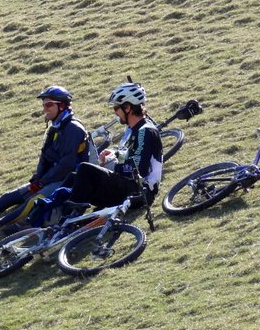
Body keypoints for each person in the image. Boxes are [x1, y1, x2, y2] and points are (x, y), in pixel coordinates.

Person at [31, 83, 163, 225]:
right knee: (73, 177)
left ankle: (71, 217)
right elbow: (133, 156)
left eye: (116, 107)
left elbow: (139, 169)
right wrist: (115, 154)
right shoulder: (134, 130)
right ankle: (57, 216)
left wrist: (112, 167)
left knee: (85, 169)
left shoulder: (145, 131)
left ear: (128, 108)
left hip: (140, 193)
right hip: (129, 188)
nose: (115, 112)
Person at [0, 86, 90, 235]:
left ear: (62, 105)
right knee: (11, 196)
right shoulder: (54, 128)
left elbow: (67, 164)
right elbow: (44, 156)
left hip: (68, 180)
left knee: (32, 201)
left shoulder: (73, 129)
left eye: (49, 104)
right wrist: (37, 178)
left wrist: (42, 182)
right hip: (49, 177)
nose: (45, 108)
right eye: (43, 104)